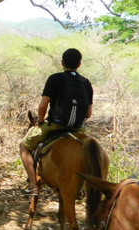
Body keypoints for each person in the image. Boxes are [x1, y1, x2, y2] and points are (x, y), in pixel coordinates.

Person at [20, 48, 93, 196]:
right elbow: (89, 113)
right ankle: (81, 187)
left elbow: (42, 106)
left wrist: (40, 121)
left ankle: (33, 185)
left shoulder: (54, 79)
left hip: (55, 125)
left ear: (62, 63)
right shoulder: (86, 83)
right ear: (79, 64)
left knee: (24, 145)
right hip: (78, 129)